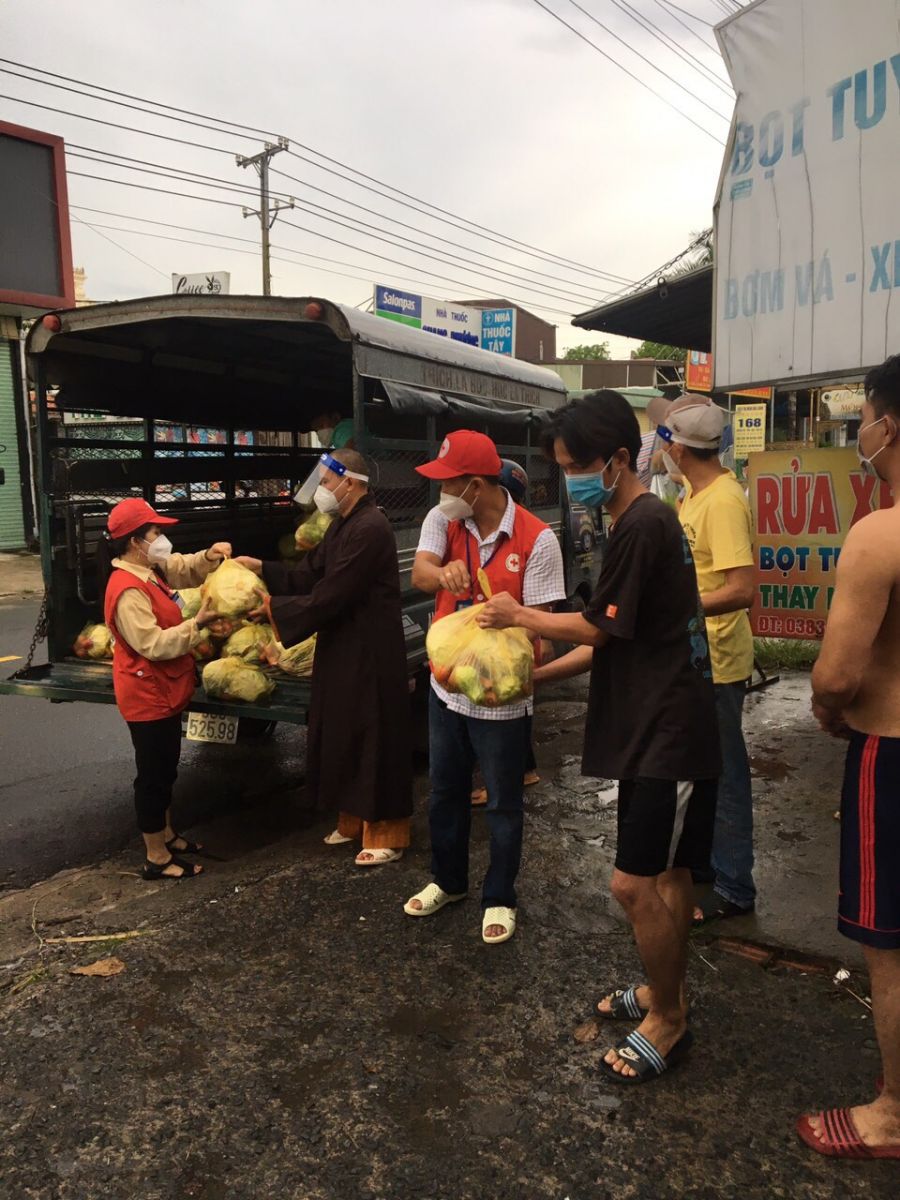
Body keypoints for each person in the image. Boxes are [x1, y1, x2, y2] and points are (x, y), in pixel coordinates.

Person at [477, 390, 720, 1082]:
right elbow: (611, 638)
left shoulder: (642, 524)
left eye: (576, 466)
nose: (569, 480)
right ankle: (664, 991)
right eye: (561, 467)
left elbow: (594, 627)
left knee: (632, 885)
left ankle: (668, 1019)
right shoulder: (636, 521)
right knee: (669, 875)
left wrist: (519, 616)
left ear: (617, 459)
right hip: (657, 723)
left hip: (668, 731)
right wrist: (536, 679)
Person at [797, 355, 900, 1160]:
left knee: (889, 944)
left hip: (892, 755)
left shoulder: (879, 535)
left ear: (886, 427)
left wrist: (831, 711)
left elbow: (835, 676)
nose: (860, 431)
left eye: (862, 418)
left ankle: (892, 1114)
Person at [405, 431, 566, 944]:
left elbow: (541, 623)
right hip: (447, 687)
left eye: (448, 482)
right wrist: (443, 572)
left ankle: (499, 896)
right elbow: (420, 573)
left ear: (476, 485)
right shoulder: (444, 520)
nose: (441, 492)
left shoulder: (537, 539)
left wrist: (512, 614)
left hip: (501, 701)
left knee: (502, 802)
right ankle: (448, 881)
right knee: (445, 792)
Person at [235, 449, 412, 867]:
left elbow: (333, 593)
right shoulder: (342, 524)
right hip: (342, 645)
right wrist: (261, 567)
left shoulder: (372, 527)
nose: (323, 490)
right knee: (341, 731)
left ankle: (386, 834)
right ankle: (352, 821)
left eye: (328, 482)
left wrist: (275, 608)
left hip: (371, 651)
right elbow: (310, 573)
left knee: (373, 736)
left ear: (350, 482)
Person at [657, 395, 756, 925]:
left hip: (719, 659)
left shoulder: (722, 501)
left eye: (664, 440)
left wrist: (681, 608)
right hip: (697, 657)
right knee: (702, 772)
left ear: (679, 448)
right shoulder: (691, 494)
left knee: (727, 775)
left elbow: (742, 589)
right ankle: (705, 867)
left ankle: (735, 886)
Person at [98, 498, 231, 880]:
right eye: (155, 532)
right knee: (153, 777)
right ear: (135, 541)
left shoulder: (148, 570)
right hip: (146, 695)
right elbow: (153, 644)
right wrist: (197, 624)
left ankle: (168, 835)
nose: (161, 539)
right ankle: (156, 857)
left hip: (164, 690)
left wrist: (209, 556)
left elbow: (181, 567)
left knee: (166, 768)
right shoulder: (127, 589)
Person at [470, 458, 540, 807]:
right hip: (507, 643)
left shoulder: (527, 531)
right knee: (520, 710)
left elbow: (539, 607)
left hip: (514, 645)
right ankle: (524, 771)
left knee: (513, 712)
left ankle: (512, 777)